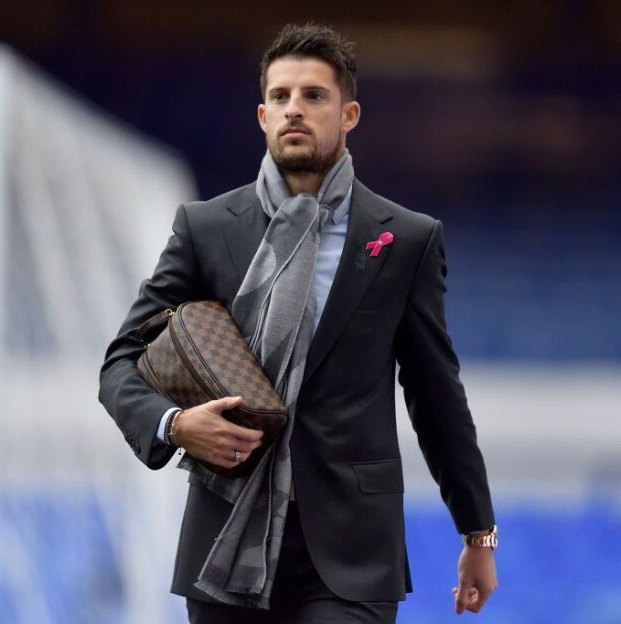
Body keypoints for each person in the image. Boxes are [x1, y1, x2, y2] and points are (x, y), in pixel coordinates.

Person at [99, 22, 497, 623]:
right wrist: (176, 425)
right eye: (280, 96)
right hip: (224, 544)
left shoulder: (408, 240)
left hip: (352, 551)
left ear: (349, 114)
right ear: (263, 117)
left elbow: (435, 394)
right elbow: (120, 363)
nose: (295, 109)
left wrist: (478, 532)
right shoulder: (205, 229)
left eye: (314, 95)